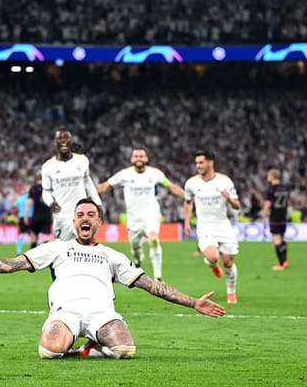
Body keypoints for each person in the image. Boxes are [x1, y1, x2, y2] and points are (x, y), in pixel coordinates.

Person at [0, 198, 226, 359]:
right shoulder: (57, 247)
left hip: (103, 313)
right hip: (67, 312)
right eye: (80, 215)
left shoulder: (113, 256)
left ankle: (90, 347)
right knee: (48, 352)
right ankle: (81, 343)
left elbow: (151, 285)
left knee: (126, 349)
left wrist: (193, 303)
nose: (84, 218)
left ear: (99, 221)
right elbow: (13, 263)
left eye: (91, 214)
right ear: (74, 222)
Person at [97, 146, 184, 281]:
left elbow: (170, 186)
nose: (139, 158)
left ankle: (158, 277)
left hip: (151, 215)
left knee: (154, 239)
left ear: (146, 158)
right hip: (134, 220)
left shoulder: (155, 174)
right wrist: (89, 193)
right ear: (132, 159)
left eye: (141, 156)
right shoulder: (124, 175)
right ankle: (138, 258)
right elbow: (106, 186)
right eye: (136, 156)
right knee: (135, 248)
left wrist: (186, 196)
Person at [183, 150, 241, 304]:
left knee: (228, 263)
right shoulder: (191, 183)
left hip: (223, 225)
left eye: (201, 162)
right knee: (213, 256)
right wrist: (187, 221)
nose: (198, 166)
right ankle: (212, 263)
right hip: (205, 226)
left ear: (210, 162)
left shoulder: (225, 182)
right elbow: (188, 202)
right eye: (196, 163)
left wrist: (229, 200)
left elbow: (237, 205)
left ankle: (231, 292)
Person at [41, 128, 102, 240]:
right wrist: (50, 202)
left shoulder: (82, 160)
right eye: (60, 138)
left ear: (71, 141)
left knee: (86, 248)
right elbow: (46, 191)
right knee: (62, 251)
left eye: (66, 138)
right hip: (61, 214)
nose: (63, 141)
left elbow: (88, 182)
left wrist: (97, 203)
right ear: (55, 143)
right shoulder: (48, 166)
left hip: (82, 213)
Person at [262, 169, 290, 270]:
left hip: (275, 217)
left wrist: (264, 216)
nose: (267, 177)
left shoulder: (271, 189)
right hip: (283, 216)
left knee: (277, 240)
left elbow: (268, 204)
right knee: (282, 239)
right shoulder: (285, 188)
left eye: (268, 175)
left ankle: (281, 264)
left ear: (273, 176)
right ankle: (285, 261)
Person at [24, 170, 53, 249]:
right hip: (47, 216)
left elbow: (29, 202)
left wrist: (26, 215)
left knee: (34, 238)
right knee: (46, 237)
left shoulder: (33, 189)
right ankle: (46, 259)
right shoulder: (49, 188)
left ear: (36, 178)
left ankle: (32, 259)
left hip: (36, 216)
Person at [15, 190, 32, 255]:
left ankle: (18, 251)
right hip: (30, 217)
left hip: (21, 216)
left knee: (21, 234)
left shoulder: (19, 198)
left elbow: (17, 207)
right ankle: (32, 250)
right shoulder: (31, 199)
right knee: (33, 235)